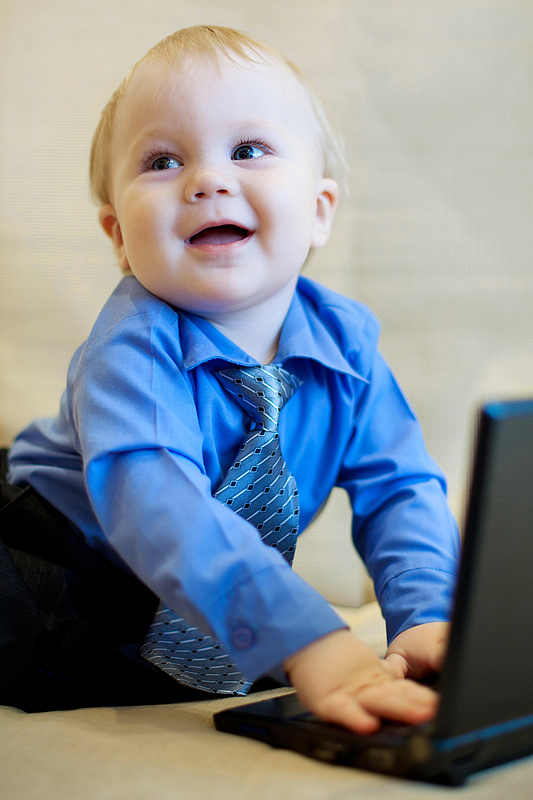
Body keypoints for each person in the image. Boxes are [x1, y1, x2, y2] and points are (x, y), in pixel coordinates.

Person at [1, 25, 460, 731]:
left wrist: (427, 615)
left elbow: (400, 487)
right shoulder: (130, 346)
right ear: (119, 236)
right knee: (33, 641)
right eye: (162, 160)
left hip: (206, 584)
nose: (207, 180)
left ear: (318, 211)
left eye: (247, 150)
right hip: (54, 545)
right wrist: (306, 639)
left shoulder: (348, 347)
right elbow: (160, 508)